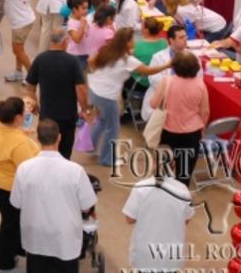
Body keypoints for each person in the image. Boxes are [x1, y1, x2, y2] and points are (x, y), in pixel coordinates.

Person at [10, 118, 97, 273]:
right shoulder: (75, 171)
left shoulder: (24, 169)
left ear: (37, 139)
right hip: (65, 243)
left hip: (36, 241)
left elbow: (16, 202)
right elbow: (87, 205)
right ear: (60, 138)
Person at [123, 161, 195, 273]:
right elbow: (187, 219)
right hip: (171, 248)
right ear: (175, 165)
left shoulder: (141, 187)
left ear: (153, 164)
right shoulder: (182, 190)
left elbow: (129, 218)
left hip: (146, 248)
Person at [88, 29, 171, 167]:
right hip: (107, 96)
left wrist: (98, 72)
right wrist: (168, 65)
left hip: (95, 90)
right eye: (132, 39)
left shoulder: (107, 50)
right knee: (113, 128)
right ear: (127, 42)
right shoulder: (127, 60)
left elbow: (91, 60)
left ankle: (90, 146)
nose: (135, 41)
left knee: (102, 120)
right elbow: (148, 71)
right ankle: (106, 159)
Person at [0, 97, 39, 273]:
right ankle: (3, 265)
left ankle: (15, 249)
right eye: (24, 113)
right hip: (10, 186)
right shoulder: (18, 143)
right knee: (11, 223)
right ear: (16, 118)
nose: (26, 115)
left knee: (12, 221)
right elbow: (28, 170)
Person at [25, 28, 90, 159]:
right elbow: (80, 89)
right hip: (67, 116)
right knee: (65, 151)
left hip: (47, 116)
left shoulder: (40, 59)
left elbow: (30, 86)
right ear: (65, 41)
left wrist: (34, 103)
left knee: (46, 150)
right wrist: (84, 109)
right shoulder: (72, 61)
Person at [149, 52, 209, 184]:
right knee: (184, 175)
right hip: (191, 134)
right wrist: (202, 127)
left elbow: (153, 104)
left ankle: (160, 197)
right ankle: (181, 200)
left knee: (161, 170)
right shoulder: (201, 85)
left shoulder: (167, 81)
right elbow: (205, 111)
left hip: (168, 133)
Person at [141, 24, 189, 120]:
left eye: (186, 37)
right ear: (171, 40)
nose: (185, 40)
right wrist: (173, 84)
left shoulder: (192, 57)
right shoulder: (158, 57)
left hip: (183, 96)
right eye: (181, 37)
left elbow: (198, 77)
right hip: (163, 96)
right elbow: (152, 79)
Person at [0, 0, 35, 83]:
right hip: (24, 21)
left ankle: (32, 76)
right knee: (19, 49)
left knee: (17, 50)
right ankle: (18, 72)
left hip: (21, 23)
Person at [162, 0, 228, 42]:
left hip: (218, 27)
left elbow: (193, 30)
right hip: (216, 23)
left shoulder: (181, 10)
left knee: (204, 49)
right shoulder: (180, 7)